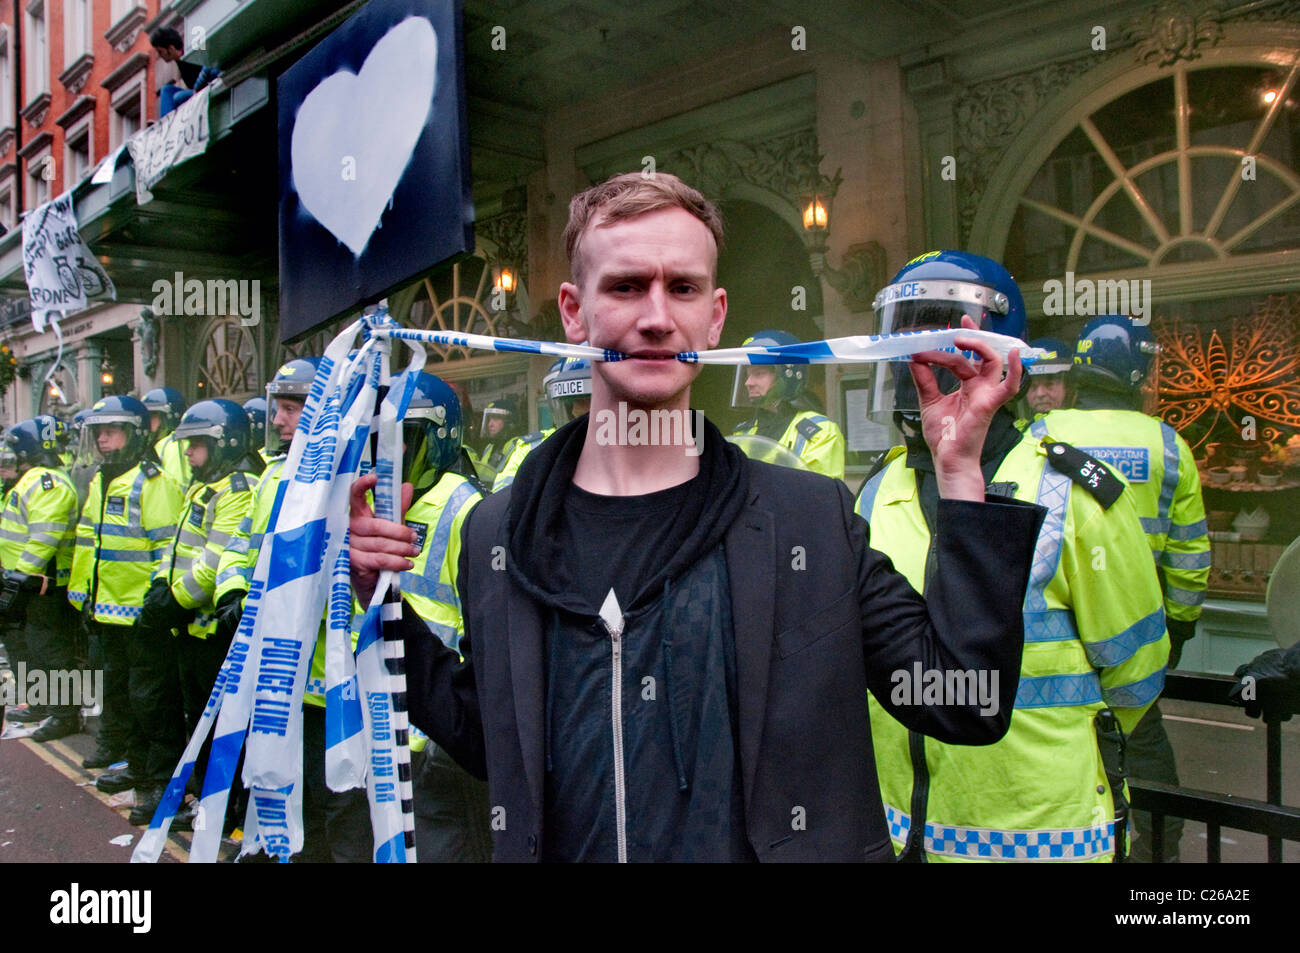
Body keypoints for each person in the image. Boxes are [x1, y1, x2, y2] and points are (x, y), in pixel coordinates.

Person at [347, 171, 1045, 862]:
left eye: (681, 287)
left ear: (714, 315)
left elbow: (966, 702)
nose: (655, 316)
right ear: (572, 310)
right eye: (624, 286)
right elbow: (490, 737)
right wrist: (379, 603)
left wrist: (958, 475)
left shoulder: (808, 522)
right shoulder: (498, 532)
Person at [855, 251, 1169, 862]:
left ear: (1004, 355)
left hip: (1042, 838)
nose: (922, 366)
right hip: (905, 834)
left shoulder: (1073, 490)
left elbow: (1136, 670)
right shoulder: (878, 488)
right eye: (909, 342)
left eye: (945, 340)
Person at [1038, 314, 1210, 862]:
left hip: (1055, 638)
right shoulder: (1168, 445)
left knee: (1066, 759)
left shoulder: (1041, 435)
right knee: (1146, 756)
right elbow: (1189, 555)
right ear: (1137, 374)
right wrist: (1177, 629)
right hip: (1135, 637)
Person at [215, 357, 374, 861]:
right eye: (278, 409)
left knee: (343, 815)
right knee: (295, 802)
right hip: (285, 687)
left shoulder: (356, 481)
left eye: (290, 409)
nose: (279, 421)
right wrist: (233, 592)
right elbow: (242, 547)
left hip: (341, 690)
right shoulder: (272, 479)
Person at [131, 399, 255, 827]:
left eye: (197, 444)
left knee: (220, 727)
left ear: (225, 443)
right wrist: (161, 589)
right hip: (189, 628)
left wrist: (174, 600)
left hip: (211, 632)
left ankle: (221, 811)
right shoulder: (203, 487)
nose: (187, 453)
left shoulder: (238, 490)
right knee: (200, 723)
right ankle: (208, 802)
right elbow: (176, 551)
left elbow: (214, 562)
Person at [390, 372, 490, 862]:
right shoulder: (380, 502)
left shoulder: (465, 508)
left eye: (403, 440)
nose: (389, 455)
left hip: (438, 739)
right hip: (387, 728)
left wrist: (444, 732)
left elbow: (482, 632)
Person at [68, 396, 185, 777]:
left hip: (143, 616)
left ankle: (156, 774)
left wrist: (158, 602)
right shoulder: (102, 480)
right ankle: (132, 763)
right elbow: (90, 545)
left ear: (134, 434)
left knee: (150, 700)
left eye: (112, 432)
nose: (103, 439)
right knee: (117, 692)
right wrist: (83, 597)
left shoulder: (153, 482)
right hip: (104, 610)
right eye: (99, 432)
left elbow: (168, 549)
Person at [0, 417, 82, 740]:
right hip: (22, 580)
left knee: (50, 649)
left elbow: (42, 540)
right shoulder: (30, 480)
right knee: (26, 645)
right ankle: (42, 701)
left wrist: (15, 582)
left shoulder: (49, 483)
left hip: (40, 583)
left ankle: (65, 715)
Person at [730, 330, 846, 480]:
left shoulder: (820, 433)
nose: (748, 383)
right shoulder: (743, 433)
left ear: (787, 375)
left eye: (758, 374)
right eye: (747, 375)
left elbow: (819, 496)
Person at [490, 357, 592, 492]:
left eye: (585, 400)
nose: (574, 410)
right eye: (570, 402)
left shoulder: (624, 443)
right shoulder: (530, 448)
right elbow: (502, 504)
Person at [150, 27, 219, 117]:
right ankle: (166, 123)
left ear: (170, 49)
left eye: (160, 51)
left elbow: (209, 66)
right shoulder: (179, 62)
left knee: (177, 96)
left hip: (210, 89)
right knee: (167, 90)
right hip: (198, 93)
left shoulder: (193, 50)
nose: (159, 56)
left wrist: (197, 88)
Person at [142, 387, 191, 489]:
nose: (147, 421)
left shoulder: (173, 446)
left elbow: (173, 488)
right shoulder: (158, 444)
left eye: (152, 415)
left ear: (169, 417)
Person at [1021, 336, 1074, 417]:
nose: (1040, 394)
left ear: (1068, 387)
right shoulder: (1017, 428)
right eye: (1032, 386)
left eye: (1049, 384)